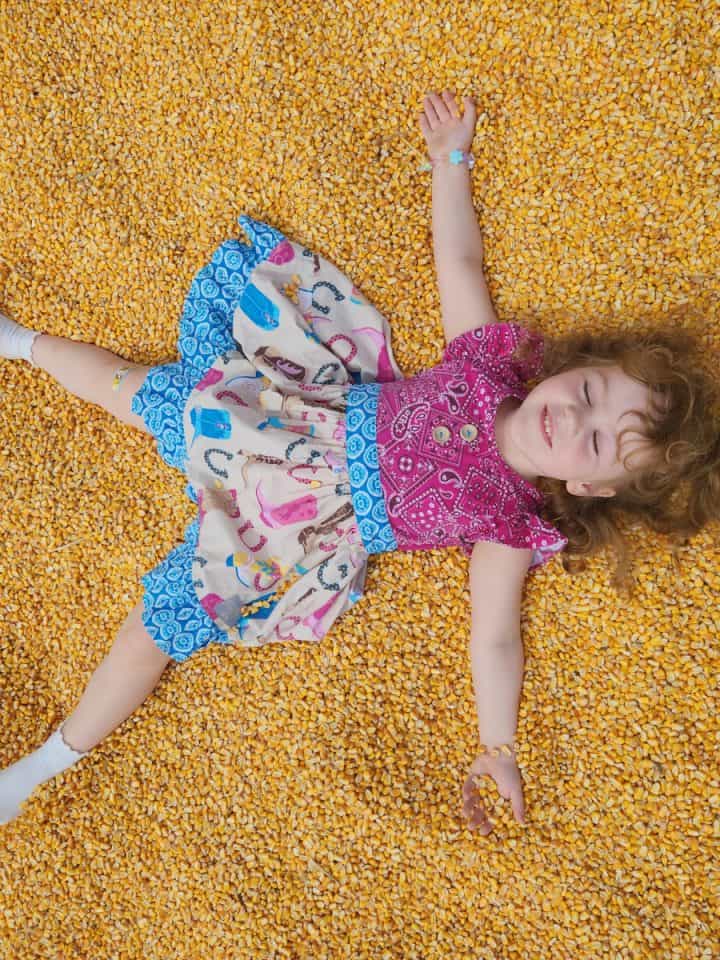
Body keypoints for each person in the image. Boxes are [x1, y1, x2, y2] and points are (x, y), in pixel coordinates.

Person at [1, 91, 718, 834]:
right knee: (136, 386)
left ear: (587, 486)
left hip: (296, 532)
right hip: (277, 417)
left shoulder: (511, 523)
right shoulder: (485, 364)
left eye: (597, 440)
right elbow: (458, 260)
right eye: (593, 390)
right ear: (578, 364)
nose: (573, 415)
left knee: (159, 628)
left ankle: (41, 767)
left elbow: (496, 633)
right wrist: (451, 161)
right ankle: (20, 341)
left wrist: (497, 745)